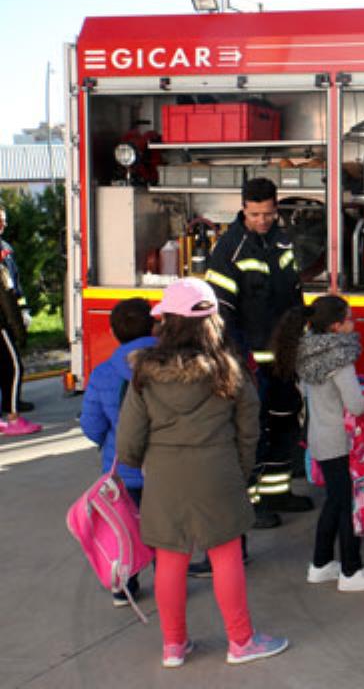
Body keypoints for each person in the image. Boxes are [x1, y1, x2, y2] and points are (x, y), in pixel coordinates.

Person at [115, 278, 288, 668]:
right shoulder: (228, 369)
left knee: (170, 559)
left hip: (165, 478)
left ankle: (173, 646)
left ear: (166, 321)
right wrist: (239, 470)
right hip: (218, 472)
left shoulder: (143, 373)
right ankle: (241, 642)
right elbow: (249, 430)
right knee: (226, 555)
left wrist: (142, 464)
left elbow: (128, 441)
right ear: (213, 321)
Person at [205, 177, 308, 528]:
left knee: (285, 422)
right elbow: (221, 313)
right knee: (252, 432)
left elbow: (294, 294)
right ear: (243, 209)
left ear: (276, 208)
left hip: (283, 358)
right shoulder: (229, 250)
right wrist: (236, 360)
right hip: (250, 361)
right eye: (254, 214)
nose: (262, 220)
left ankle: (277, 491)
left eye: (267, 213)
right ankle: (249, 504)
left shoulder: (282, 241)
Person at [272, 295, 364, 593]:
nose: (355, 323)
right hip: (341, 441)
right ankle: (351, 570)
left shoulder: (306, 353)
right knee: (348, 504)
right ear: (336, 327)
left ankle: (322, 563)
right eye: (350, 318)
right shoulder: (340, 359)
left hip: (319, 439)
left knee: (335, 501)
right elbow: (356, 405)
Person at [79, 297, 156, 606]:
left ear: (113, 332)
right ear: (154, 327)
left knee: (124, 529)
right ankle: (169, 582)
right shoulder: (172, 366)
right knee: (164, 532)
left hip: (122, 469)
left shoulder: (102, 374)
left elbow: (91, 425)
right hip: (165, 467)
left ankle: (125, 586)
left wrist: (108, 442)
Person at [0, 205, 36, 436]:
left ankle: (10, 404)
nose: (3, 224)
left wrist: (24, 311)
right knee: (14, 366)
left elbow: (16, 288)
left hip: (7, 318)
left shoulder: (6, 249)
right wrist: (17, 326)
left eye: (4, 220)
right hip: (2, 322)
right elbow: (6, 294)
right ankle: (13, 416)